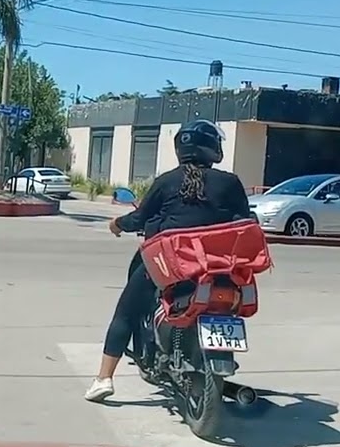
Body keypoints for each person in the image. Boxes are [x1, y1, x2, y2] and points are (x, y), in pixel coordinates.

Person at [84, 119, 252, 403]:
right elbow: (245, 222)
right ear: (212, 148)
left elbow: (139, 218)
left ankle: (104, 379)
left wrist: (116, 224)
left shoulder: (167, 181)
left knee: (126, 312)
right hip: (219, 269)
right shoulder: (230, 183)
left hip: (172, 267)